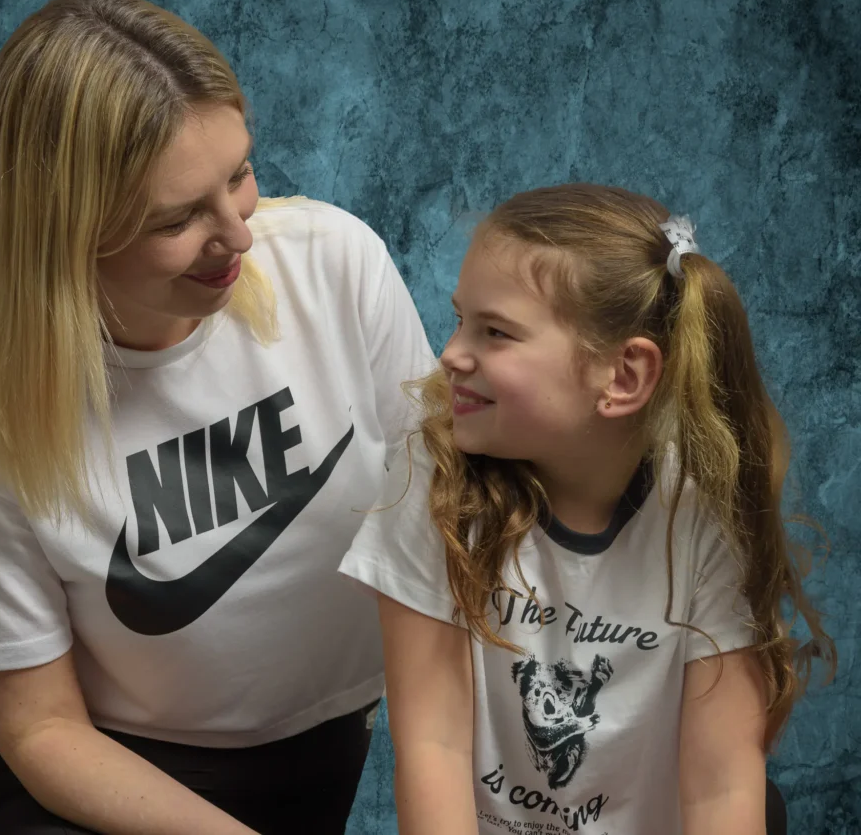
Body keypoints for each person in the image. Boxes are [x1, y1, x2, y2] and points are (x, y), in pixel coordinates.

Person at [0, 0, 434, 835]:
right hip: (111, 790)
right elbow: (42, 729)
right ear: (64, 232)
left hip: (326, 751)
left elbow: (450, 526)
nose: (239, 235)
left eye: (240, 174)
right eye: (179, 218)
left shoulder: (337, 265)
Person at [339, 184, 836, 835]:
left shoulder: (702, 512)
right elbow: (435, 748)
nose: (452, 354)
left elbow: (721, 788)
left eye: (495, 331)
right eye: (460, 319)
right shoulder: (432, 474)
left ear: (623, 376)